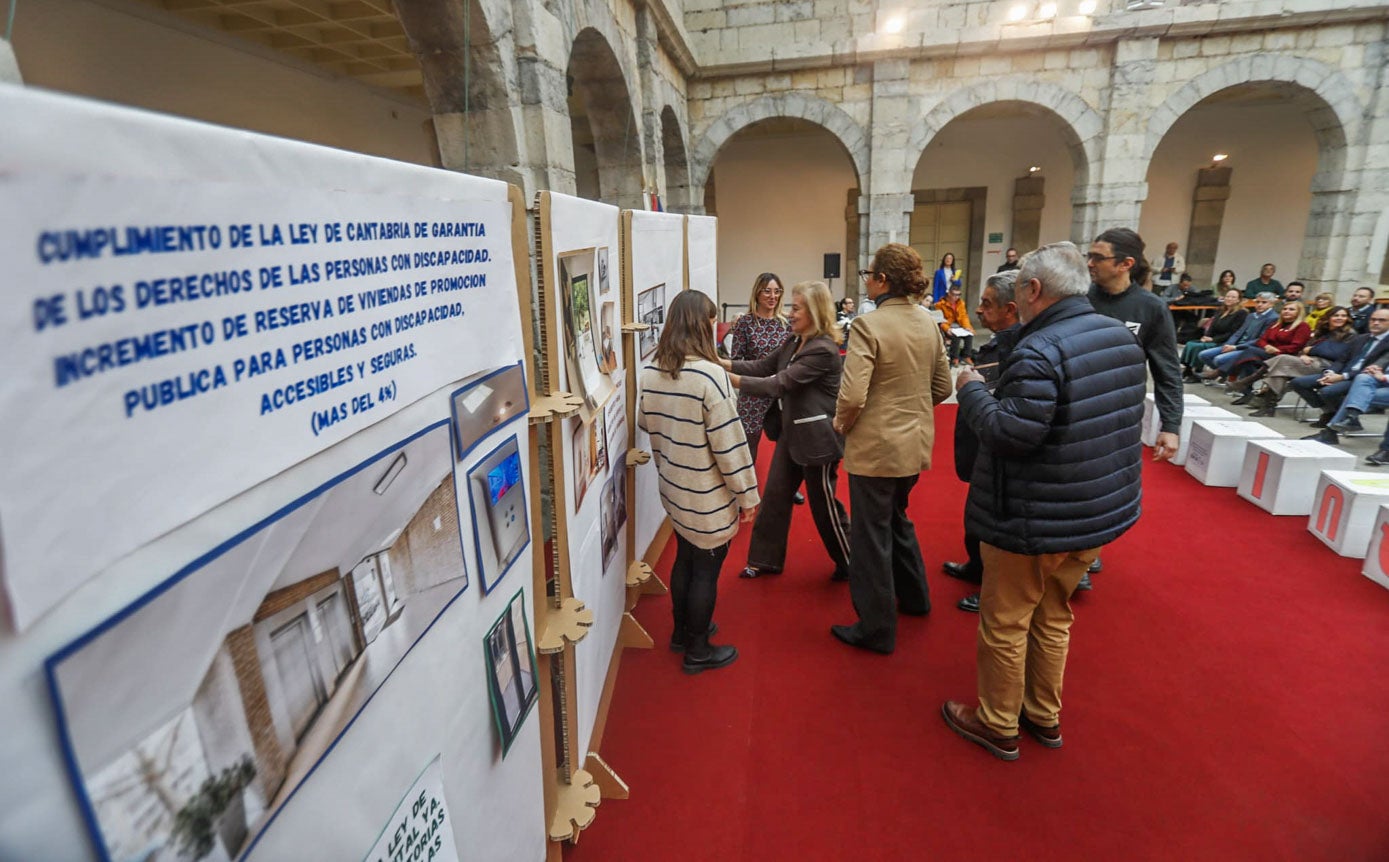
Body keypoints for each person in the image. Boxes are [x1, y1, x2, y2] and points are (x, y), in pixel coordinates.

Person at [942, 241, 1147, 760]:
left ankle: (997, 723)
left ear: (1032, 291)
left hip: (1035, 514)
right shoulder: (1118, 338)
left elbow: (1011, 434)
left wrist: (968, 389)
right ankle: (1042, 713)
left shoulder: (1040, 349)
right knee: (1054, 615)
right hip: (1095, 510)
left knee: (1006, 621)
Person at [833, 245, 953, 654]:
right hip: (913, 444)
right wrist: (909, 411)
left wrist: (841, 425)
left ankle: (876, 628)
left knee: (870, 539)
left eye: (869, 273)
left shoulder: (869, 326)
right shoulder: (927, 322)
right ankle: (916, 597)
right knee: (897, 518)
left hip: (877, 449)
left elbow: (851, 397)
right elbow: (943, 387)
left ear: (882, 280)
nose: (866, 279)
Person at [638, 291, 760, 674]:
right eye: (711, 321)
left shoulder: (651, 372)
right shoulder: (711, 376)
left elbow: (645, 423)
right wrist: (748, 496)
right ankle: (698, 649)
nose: (714, 326)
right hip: (707, 496)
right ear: (701, 325)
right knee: (705, 569)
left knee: (686, 561)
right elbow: (730, 445)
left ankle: (681, 632)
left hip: (674, 488)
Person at [726, 281, 850, 582]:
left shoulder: (823, 350)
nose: (789, 312)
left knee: (824, 507)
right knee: (775, 497)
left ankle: (850, 560)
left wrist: (728, 379)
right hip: (791, 434)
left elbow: (777, 383)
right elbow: (762, 365)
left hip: (818, 441)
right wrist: (720, 363)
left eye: (796, 307)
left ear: (815, 312)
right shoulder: (795, 340)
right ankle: (764, 560)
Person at [1085, 227, 1182, 589]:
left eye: (1098, 257)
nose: (1090, 263)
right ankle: (1076, 557)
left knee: (1103, 488)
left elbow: (1167, 372)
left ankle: (1087, 552)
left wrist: (1170, 425)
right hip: (1075, 409)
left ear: (1125, 264)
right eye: (1089, 256)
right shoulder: (1078, 298)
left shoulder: (1150, 308)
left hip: (1118, 417)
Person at [941, 270, 1022, 615]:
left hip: (1001, 446)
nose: (978, 311)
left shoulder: (1022, 348)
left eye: (987, 304)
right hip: (983, 444)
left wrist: (971, 387)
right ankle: (976, 566)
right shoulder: (1000, 341)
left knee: (996, 522)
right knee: (977, 511)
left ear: (1011, 309)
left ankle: (994, 587)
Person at [728, 272, 792, 465]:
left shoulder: (787, 323)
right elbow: (736, 360)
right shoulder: (745, 323)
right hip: (753, 391)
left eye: (777, 291)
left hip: (780, 390)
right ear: (757, 293)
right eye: (767, 291)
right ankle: (747, 486)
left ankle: (789, 484)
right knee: (748, 443)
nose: (773, 296)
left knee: (786, 440)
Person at [1291, 307, 1389, 433]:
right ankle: (1331, 412)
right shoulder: (1361, 338)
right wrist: (1330, 372)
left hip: (1361, 379)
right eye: (1373, 319)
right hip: (1340, 373)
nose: (1376, 323)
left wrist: (1343, 376)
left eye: (1382, 320)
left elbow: (1374, 369)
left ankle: (1340, 419)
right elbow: (1342, 359)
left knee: (1328, 391)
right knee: (1298, 382)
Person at [1246, 306, 1354, 416]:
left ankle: (1256, 386)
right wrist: (1303, 354)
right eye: (1336, 315)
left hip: (1329, 366)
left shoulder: (1350, 335)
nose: (1339, 318)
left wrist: (1312, 350)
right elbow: (1304, 348)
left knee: (1282, 359)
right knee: (1280, 371)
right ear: (1329, 318)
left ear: (1348, 319)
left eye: (1343, 316)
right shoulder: (1323, 332)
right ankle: (1268, 407)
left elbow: (1337, 354)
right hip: (1310, 362)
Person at [1224, 300, 1310, 396]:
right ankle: (1246, 392)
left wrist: (1278, 349)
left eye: (1291, 309)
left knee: (1250, 351)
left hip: (1284, 357)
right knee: (1248, 363)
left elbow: (1296, 346)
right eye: (1285, 309)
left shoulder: (1302, 326)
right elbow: (1261, 340)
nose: (1286, 311)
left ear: (1299, 312)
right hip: (1267, 353)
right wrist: (1267, 346)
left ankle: (1224, 373)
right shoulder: (1276, 324)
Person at [1197, 292, 1278, 380]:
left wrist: (1235, 347)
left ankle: (1225, 374)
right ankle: (1224, 373)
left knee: (1218, 359)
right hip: (1235, 344)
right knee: (1204, 355)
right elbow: (1239, 332)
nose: (1259, 305)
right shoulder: (1251, 315)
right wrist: (1228, 344)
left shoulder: (1273, 318)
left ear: (1271, 304)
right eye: (1257, 302)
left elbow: (1260, 339)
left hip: (1249, 348)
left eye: (1264, 302)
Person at [1180, 288, 1247, 381]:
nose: (1229, 299)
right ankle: (1188, 369)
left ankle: (1197, 372)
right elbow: (1212, 326)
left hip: (1225, 341)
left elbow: (1233, 332)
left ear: (1238, 300)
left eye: (1233, 297)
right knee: (1190, 343)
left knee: (1197, 347)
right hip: (1213, 337)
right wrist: (1206, 336)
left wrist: (1213, 340)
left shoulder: (1241, 313)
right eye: (1228, 296)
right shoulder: (1220, 310)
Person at [934, 283, 974, 366]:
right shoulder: (940, 304)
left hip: (958, 326)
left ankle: (967, 356)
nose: (957, 297)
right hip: (947, 326)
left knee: (970, 334)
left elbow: (964, 316)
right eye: (955, 295)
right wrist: (947, 329)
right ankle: (955, 358)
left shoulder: (960, 303)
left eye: (959, 295)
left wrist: (967, 326)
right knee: (956, 336)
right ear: (949, 294)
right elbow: (940, 320)